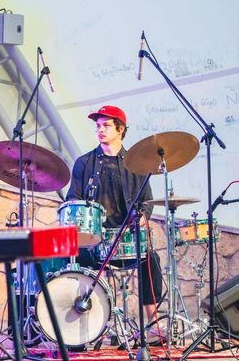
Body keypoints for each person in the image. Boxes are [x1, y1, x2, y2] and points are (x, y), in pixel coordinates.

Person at [66, 105, 164, 344]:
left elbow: (147, 201)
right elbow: (72, 198)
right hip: (95, 240)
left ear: (120, 129)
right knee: (75, 258)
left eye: (106, 125)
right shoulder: (84, 163)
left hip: (126, 237)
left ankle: (154, 324)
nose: (100, 130)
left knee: (151, 258)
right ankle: (85, 327)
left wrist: (143, 216)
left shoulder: (137, 164)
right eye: (98, 126)